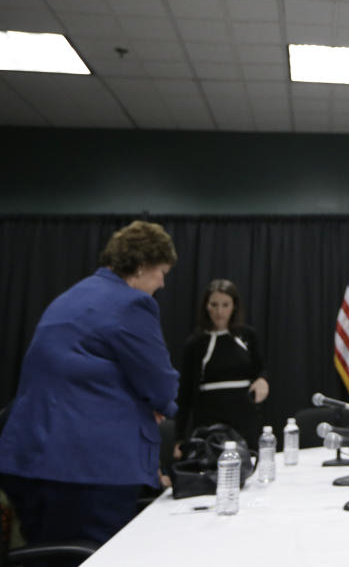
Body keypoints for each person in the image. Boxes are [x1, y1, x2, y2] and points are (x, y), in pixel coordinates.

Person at [0, 220, 179, 552]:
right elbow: (161, 385)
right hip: (88, 468)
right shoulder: (131, 304)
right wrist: (159, 406)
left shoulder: (75, 295)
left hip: (30, 460)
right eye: (161, 272)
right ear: (141, 267)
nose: (162, 283)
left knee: (48, 555)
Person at [176, 279, 268, 451]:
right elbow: (185, 394)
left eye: (225, 305)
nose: (220, 311)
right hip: (209, 420)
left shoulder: (248, 336)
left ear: (234, 306)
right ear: (206, 306)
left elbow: (261, 368)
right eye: (214, 305)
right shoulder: (195, 343)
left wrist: (262, 380)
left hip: (244, 417)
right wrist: (179, 438)